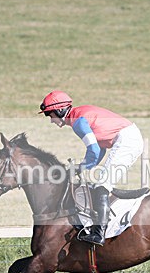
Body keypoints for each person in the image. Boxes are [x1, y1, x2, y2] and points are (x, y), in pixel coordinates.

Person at [39, 91, 144, 246]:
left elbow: (94, 150)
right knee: (101, 184)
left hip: (127, 140)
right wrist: (83, 166)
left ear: (60, 110)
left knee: (102, 186)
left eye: (50, 115)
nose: (51, 120)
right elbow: (99, 148)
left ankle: (98, 234)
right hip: (129, 137)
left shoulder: (78, 122)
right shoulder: (79, 116)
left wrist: (81, 167)